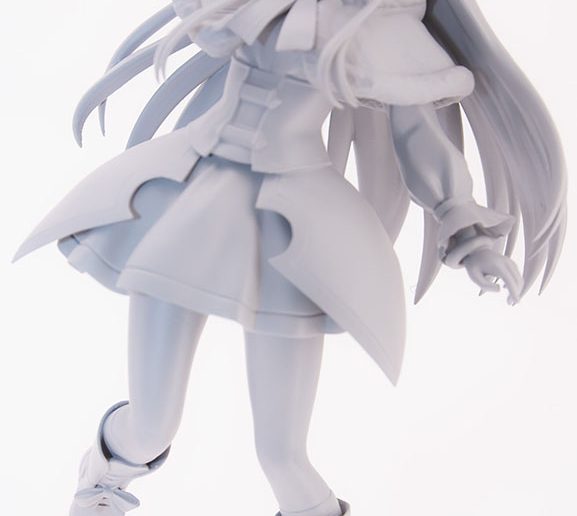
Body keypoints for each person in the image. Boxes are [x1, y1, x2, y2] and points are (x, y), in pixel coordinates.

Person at [14, 0, 567, 515]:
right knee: (151, 424)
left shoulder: (386, 30)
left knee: (283, 457)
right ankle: (100, 483)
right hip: (190, 197)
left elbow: (420, 143)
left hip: (292, 231)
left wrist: (471, 236)